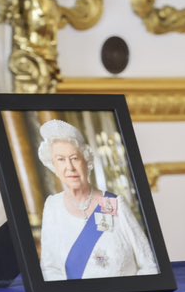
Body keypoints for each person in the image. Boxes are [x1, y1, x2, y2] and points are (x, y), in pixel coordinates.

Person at [37, 119, 158, 280]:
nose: (70, 167)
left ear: (87, 162)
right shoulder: (53, 207)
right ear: (53, 166)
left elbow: (149, 264)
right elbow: (49, 268)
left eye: (74, 158)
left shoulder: (114, 204)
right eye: (61, 159)